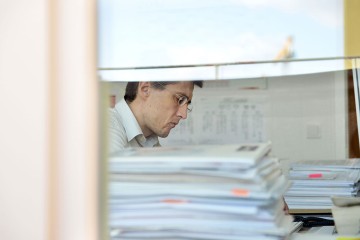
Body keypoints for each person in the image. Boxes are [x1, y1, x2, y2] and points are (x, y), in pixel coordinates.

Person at [108, 81, 203, 153]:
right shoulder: (106, 127)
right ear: (145, 89)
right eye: (180, 99)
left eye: (187, 105)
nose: (183, 115)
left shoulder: (150, 142)